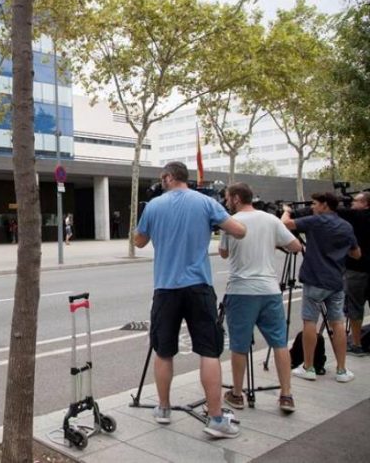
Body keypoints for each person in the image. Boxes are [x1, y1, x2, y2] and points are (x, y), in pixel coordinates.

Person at [134, 161, 247, 439]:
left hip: (165, 289)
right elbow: (239, 231)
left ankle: (163, 408)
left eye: (163, 177)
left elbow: (138, 242)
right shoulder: (205, 203)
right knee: (209, 351)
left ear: (170, 177)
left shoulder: (154, 206)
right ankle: (217, 418)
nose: (161, 181)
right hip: (198, 287)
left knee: (163, 350)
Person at [219, 183, 302, 414]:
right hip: (269, 290)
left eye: (227, 198)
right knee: (279, 342)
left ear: (236, 198)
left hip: (241, 290)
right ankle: (286, 395)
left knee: (239, 345)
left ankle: (236, 394)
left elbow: (224, 253)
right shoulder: (271, 220)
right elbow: (295, 246)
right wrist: (270, 242)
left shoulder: (231, 222)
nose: (226, 202)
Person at [282, 192, 361, 383]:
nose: (312, 207)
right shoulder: (346, 225)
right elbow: (356, 254)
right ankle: (341, 370)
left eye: (315, 204)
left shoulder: (316, 221)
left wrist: (286, 211)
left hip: (315, 279)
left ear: (325, 205)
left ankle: (308, 367)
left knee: (310, 322)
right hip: (336, 281)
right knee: (338, 323)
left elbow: (285, 224)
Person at [338, 192, 370, 356]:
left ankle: (356, 344)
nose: (352, 204)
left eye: (355, 201)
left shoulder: (358, 217)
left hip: (357, 270)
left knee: (354, 307)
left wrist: (339, 201)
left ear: (365, 204)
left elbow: (338, 210)